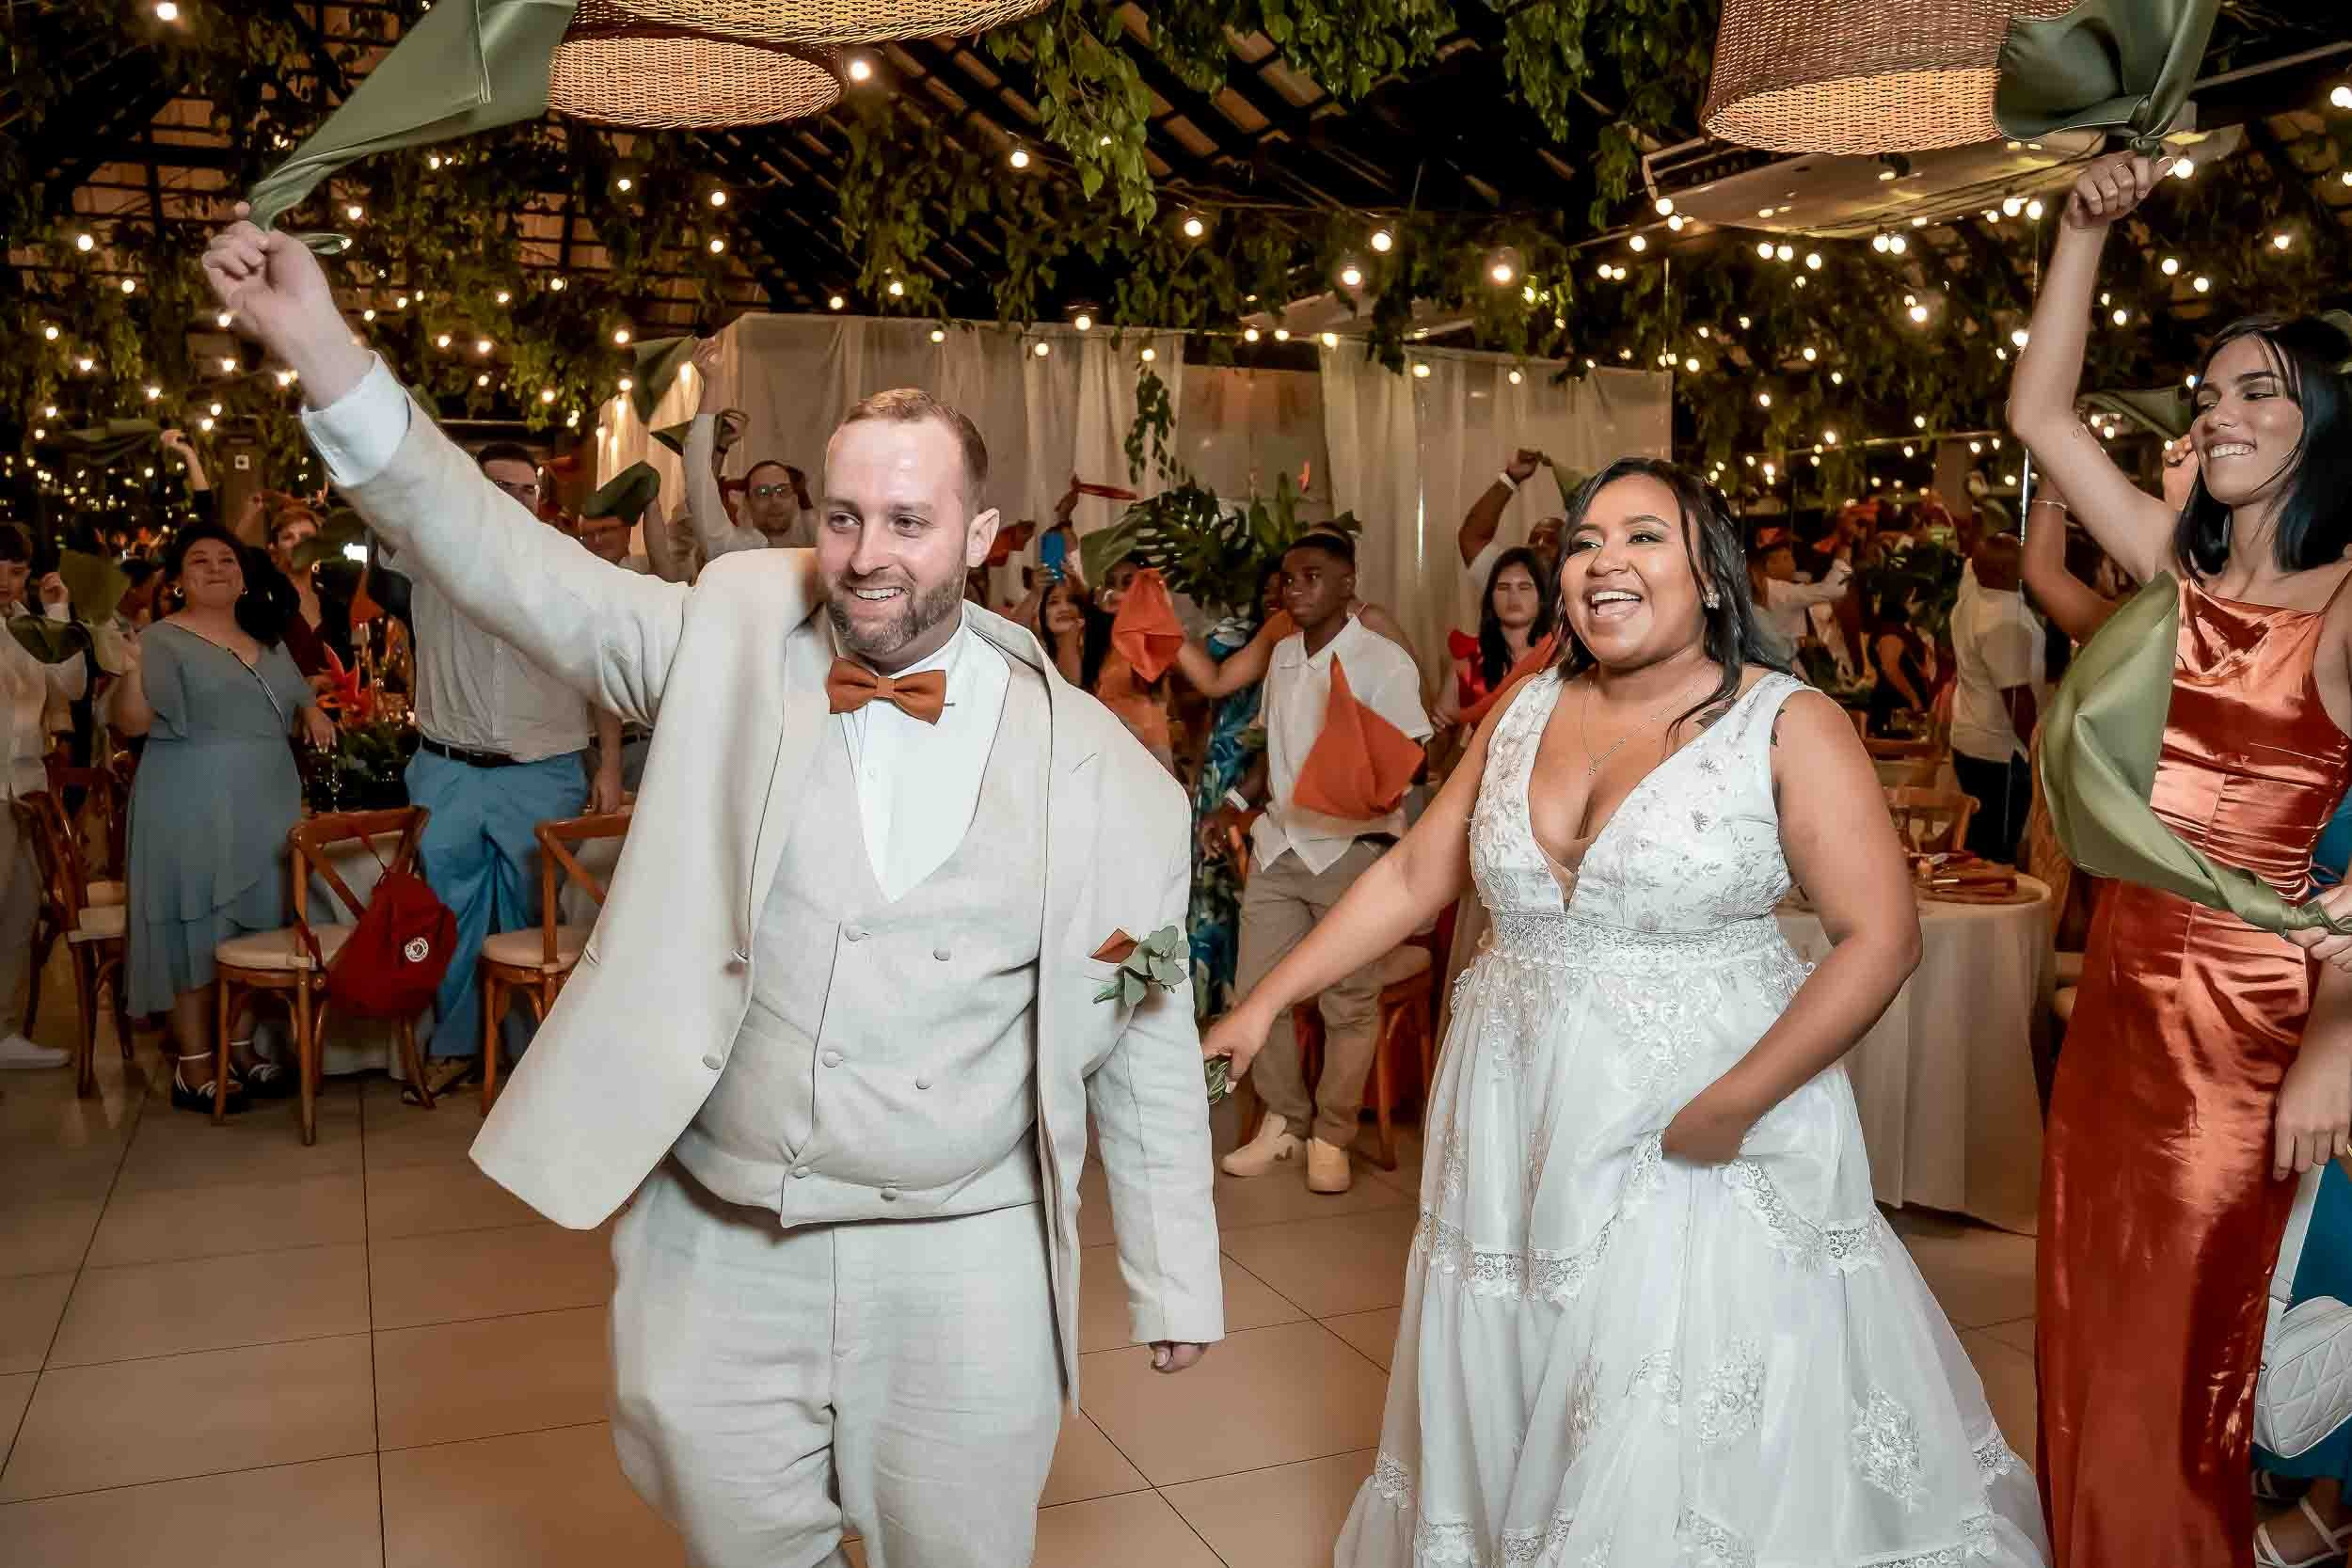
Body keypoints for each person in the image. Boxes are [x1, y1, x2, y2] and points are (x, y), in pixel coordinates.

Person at [204, 205, 1219, 1568]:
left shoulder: (1119, 783)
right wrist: (323, 349)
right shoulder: (732, 630)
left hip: (965, 1257)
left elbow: (1145, 1031)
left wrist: (1173, 1269)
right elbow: (515, 568)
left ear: (981, 534)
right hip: (727, 1238)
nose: (868, 552)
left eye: (910, 521)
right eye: (848, 514)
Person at [1203, 456, 2045, 1567]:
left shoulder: (1786, 721)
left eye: (1644, 536)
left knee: (1664, 1406)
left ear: (1710, 575)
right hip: (1516, 1112)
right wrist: (1262, 1003)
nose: (1604, 560)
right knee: (1533, 1364)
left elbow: (1880, 937)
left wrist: (1733, 1106)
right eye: (1587, 541)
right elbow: (1415, 873)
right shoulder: (1526, 707)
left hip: (1701, 1124)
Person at [2009, 149, 2352, 1568]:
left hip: (2251, 1030)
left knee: (2193, 1361)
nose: (2221, 409)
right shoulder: (2177, 574)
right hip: (2122, 1016)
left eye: (2259, 386)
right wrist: (2078, 227)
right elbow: (2039, 408)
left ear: (2329, 417)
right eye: (2211, 390)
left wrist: (2342, 1017)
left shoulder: (2348, 601)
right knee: (2092, 1316)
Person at [369, 439, 624, 1086]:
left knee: (535, 920)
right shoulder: (430, 556)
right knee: (445, 915)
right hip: (446, 768)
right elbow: (375, 492)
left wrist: (611, 764)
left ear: (540, 499)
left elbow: (602, 671)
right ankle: (456, 1047)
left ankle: (532, 1057)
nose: (512, 500)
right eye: (496, 488)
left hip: (544, 770)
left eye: (524, 489)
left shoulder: (568, 568)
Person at [1204, 530, 1433, 1196]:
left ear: (1345, 585)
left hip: (1353, 852)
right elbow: (1273, 753)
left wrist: (1375, 796)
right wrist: (1234, 803)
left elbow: (1413, 763)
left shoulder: (1383, 661)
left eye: (1309, 576)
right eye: (1286, 577)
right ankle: (1287, 1121)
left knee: (1347, 1001)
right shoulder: (1278, 657)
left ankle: (1332, 1133)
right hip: (1280, 846)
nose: (1292, 589)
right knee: (1256, 990)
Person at [113, 522, 332, 1112]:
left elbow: (297, 693)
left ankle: (238, 1046)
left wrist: (312, 712)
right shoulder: (160, 639)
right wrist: (132, 670)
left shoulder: (268, 636)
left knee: (254, 923)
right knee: (195, 926)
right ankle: (192, 1064)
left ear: (244, 574)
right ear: (179, 578)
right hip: (188, 800)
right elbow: (131, 724)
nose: (215, 568)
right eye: (199, 560)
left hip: (264, 801)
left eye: (227, 560)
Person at [0, 539, 90, 1071]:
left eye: (15, 571)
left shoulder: (28, 625)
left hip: (26, 786)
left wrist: (58, 611)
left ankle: (4, 1030)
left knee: (17, 913)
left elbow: (72, 688)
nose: (6, 581)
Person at [1945, 531, 2044, 864]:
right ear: (2007, 572)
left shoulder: (1971, 598)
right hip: (2001, 750)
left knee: (1979, 842)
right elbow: (2016, 699)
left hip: (1971, 739)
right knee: (1996, 853)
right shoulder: (2004, 621)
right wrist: (2038, 752)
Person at [683, 337, 813, 562]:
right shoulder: (733, 550)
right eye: (762, 493)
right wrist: (712, 384)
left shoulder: (817, 555)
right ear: (747, 503)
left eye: (782, 491)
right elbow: (698, 475)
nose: (774, 501)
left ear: (794, 498)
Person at [1437, 546, 1554, 734]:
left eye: (1524, 587)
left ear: (1541, 597)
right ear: (1490, 598)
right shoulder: (1467, 664)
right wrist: (1440, 723)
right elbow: (1439, 742)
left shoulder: (1558, 656)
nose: (1513, 596)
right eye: (1503, 587)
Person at [1456, 448, 1565, 619]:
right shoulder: (1509, 582)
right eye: (1534, 539)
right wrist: (1510, 478)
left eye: (1552, 540)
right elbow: (1472, 537)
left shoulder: (1581, 597)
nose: (1539, 545)